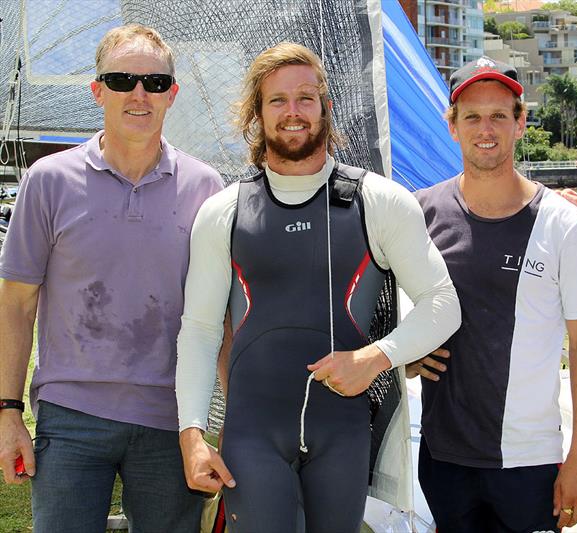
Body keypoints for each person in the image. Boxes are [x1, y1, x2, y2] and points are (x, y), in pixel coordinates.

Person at [174, 42, 460, 532]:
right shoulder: (223, 212)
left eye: (306, 98)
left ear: (326, 107)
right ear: (256, 115)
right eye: (277, 101)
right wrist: (192, 436)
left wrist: (375, 358)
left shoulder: (380, 201)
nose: (293, 112)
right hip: (253, 437)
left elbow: (443, 304)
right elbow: (199, 331)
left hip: (344, 437)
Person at [0, 24, 223, 532]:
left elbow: (219, 312)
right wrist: (8, 410)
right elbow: (15, 304)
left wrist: (225, 421)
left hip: (172, 419)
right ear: (98, 90)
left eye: (155, 82)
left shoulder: (205, 186)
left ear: (173, 94)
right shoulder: (47, 180)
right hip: (70, 416)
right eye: (122, 79)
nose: (139, 94)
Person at [410, 56, 577, 533]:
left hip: (530, 460)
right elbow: (387, 313)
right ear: (453, 127)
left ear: (521, 123)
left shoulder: (565, 224)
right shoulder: (418, 212)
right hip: (443, 456)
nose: (487, 129)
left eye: (500, 115)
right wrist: (405, 357)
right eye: (472, 117)